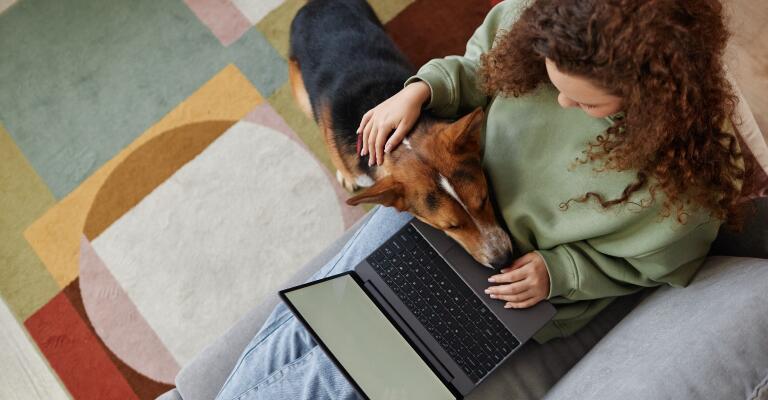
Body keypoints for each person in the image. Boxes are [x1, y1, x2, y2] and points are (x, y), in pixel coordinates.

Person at [215, 0, 748, 398]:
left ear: (652, 97)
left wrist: (560, 272)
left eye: (584, 102)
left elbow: (655, 265)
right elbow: (478, 67)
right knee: (315, 314)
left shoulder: (688, 188)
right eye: (551, 80)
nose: (560, 101)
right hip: (441, 207)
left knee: (340, 383)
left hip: (508, 290)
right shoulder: (550, 18)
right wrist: (421, 91)